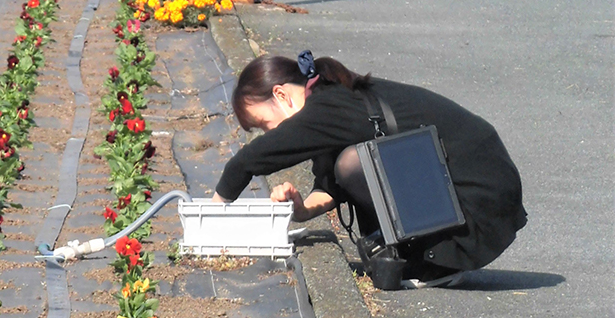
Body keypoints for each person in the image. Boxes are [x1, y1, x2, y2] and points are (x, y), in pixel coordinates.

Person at [213, 51, 526, 287]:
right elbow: (333, 183)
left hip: (480, 198)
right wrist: (303, 209)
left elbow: (252, 159)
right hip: (475, 186)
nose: (270, 134)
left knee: (355, 161)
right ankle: (423, 253)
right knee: (348, 162)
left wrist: (215, 214)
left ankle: (437, 261)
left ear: (281, 95)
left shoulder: (327, 106)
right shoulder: (328, 101)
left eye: (264, 124)